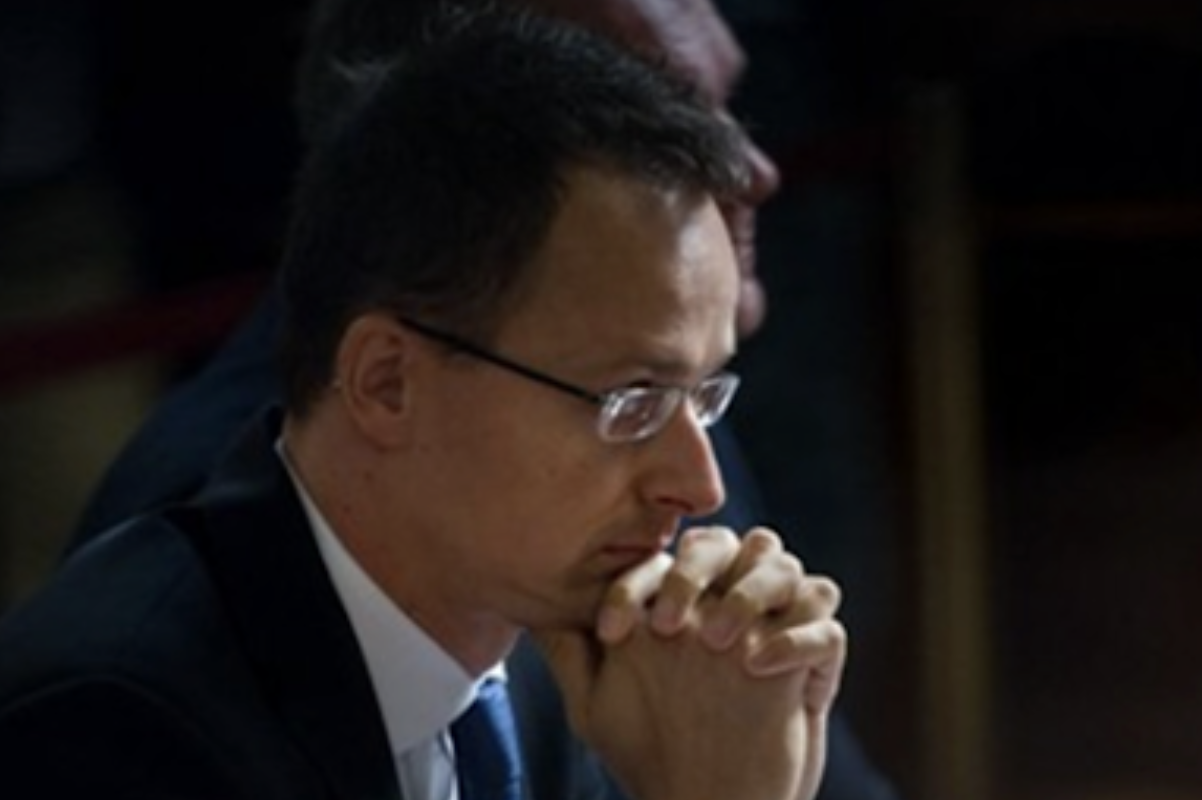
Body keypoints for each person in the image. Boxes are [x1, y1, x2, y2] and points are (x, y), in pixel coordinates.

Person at [0, 7, 845, 798]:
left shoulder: (569, 647)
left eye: (704, 395)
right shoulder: (113, 727)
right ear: (386, 383)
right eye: (632, 402)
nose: (699, 489)